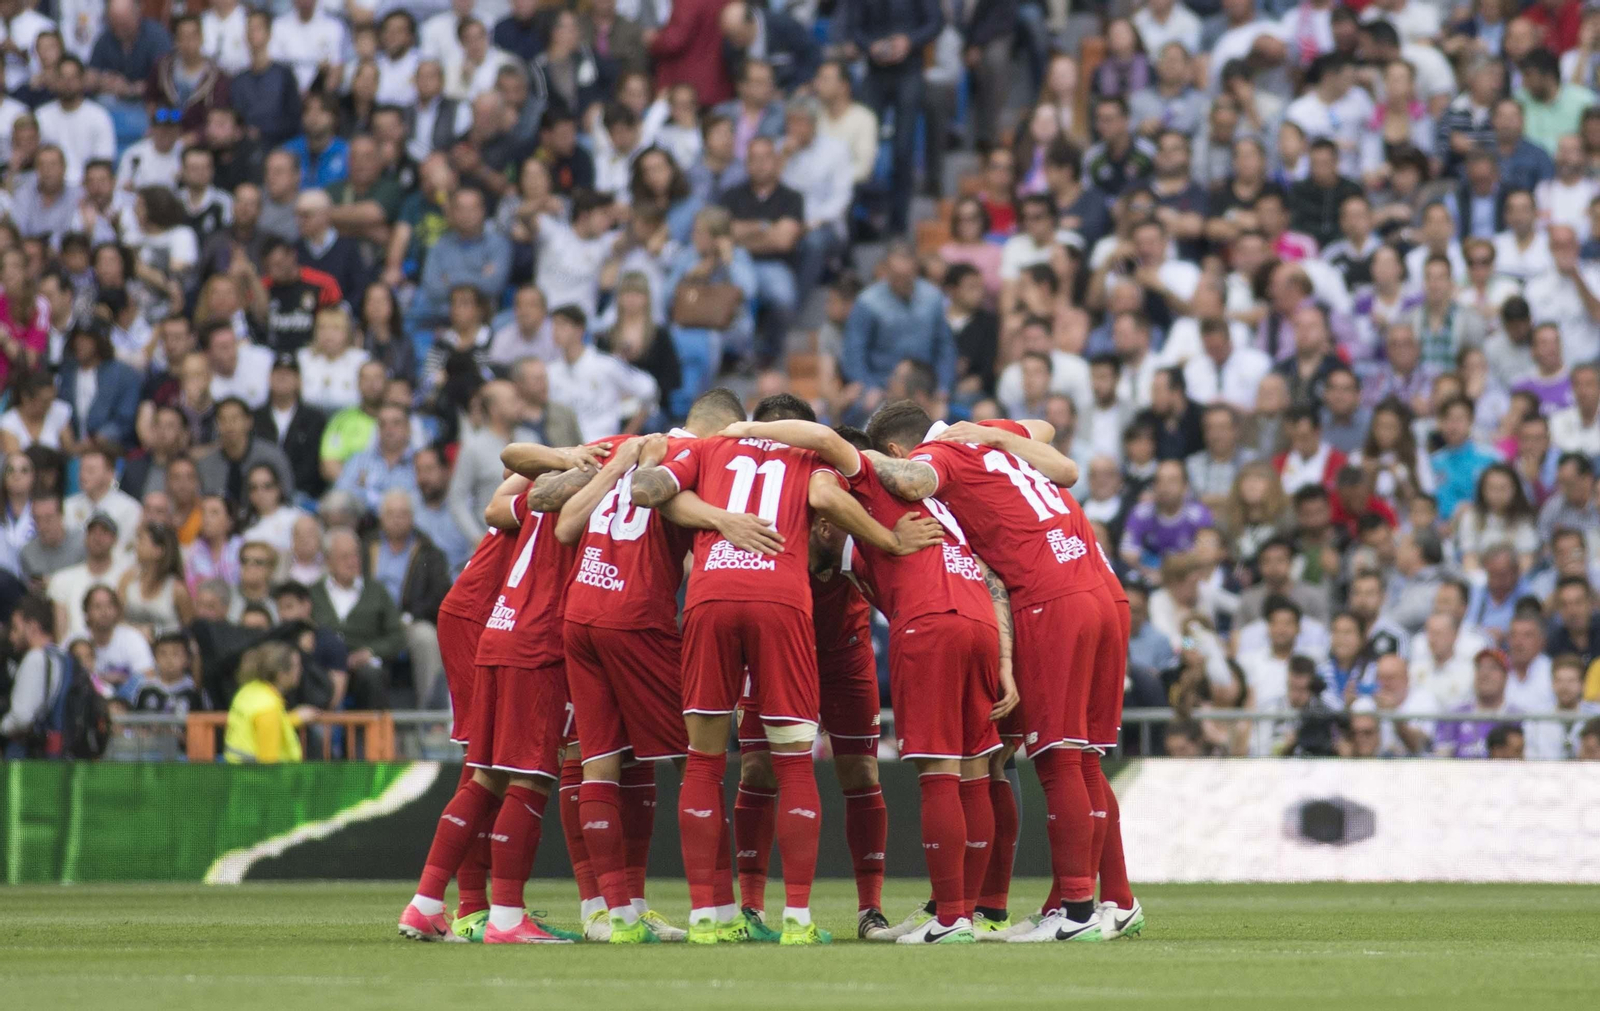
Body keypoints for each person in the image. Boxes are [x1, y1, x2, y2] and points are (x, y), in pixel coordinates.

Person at [846, 403, 1134, 942]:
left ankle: (1072, 911)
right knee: (1080, 759)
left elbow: (911, 481)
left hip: (1048, 597)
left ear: (897, 449)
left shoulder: (939, 455)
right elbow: (1052, 441)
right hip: (1098, 584)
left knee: (1056, 759)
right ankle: (1108, 900)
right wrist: (993, 434)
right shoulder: (989, 435)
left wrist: (854, 460)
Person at [224, 641, 316, 764]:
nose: (300, 670)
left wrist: (295, 718)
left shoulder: (248, 691)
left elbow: (256, 729)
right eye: (296, 666)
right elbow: (268, 765)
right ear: (281, 675)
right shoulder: (268, 707)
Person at [195, 396, 294, 504]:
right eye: (223, 420)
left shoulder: (272, 456)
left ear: (249, 422)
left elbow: (287, 494)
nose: (229, 426)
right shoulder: (206, 465)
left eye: (235, 419)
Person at [115, 521, 190, 638]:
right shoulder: (127, 579)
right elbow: (116, 618)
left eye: (141, 541)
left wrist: (155, 633)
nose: (136, 545)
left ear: (158, 550)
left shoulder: (177, 590)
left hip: (167, 645)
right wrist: (138, 631)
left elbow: (189, 629)